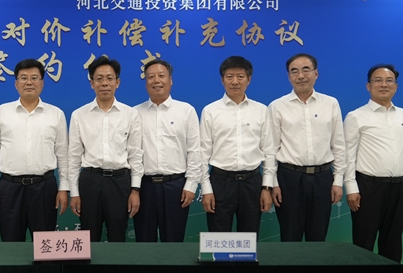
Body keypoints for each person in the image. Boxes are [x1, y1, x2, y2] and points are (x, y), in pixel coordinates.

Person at [0, 59, 69, 241]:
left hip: (44, 187)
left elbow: (63, 155)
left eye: (34, 78)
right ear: (16, 83)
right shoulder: (1, 112)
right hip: (10, 188)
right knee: (11, 242)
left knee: (45, 244)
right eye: (24, 78)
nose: (29, 82)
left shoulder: (56, 114)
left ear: (42, 83)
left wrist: (63, 188)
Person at [344, 64, 403, 262]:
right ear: (368, 86)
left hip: (400, 187)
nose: (384, 85)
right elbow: (348, 156)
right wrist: (351, 188)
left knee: (393, 241)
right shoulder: (356, 116)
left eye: (389, 81)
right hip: (368, 188)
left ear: (396, 86)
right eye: (377, 80)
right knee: (363, 242)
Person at [268, 53, 346, 242]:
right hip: (289, 179)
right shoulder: (277, 106)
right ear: (289, 77)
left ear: (316, 74)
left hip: (322, 178)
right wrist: (273, 183)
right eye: (294, 71)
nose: (301, 76)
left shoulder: (331, 103)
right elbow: (271, 149)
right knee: (290, 237)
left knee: (318, 238)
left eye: (306, 70)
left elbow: (339, 145)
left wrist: (338, 181)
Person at [68, 56, 143, 242]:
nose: (104, 83)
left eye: (110, 78)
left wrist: (135, 190)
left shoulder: (131, 114)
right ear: (91, 83)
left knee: (118, 236)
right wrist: (74, 193)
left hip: (119, 182)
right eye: (99, 78)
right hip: (90, 181)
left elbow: (135, 155)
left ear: (117, 82)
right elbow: (74, 158)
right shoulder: (79, 115)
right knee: (88, 237)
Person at [199, 56, 273, 234]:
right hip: (220, 182)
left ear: (249, 79)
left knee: (249, 238)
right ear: (222, 80)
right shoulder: (210, 111)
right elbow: (202, 154)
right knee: (218, 238)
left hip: (252, 182)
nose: (235, 81)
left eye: (240, 76)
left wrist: (266, 187)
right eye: (229, 76)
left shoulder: (261, 110)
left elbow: (269, 152)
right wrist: (206, 189)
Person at [133, 59, 201, 242]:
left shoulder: (186, 111)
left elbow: (195, 151)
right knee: (144, 242)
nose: (156, 80)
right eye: (151, 77)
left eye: (161, 76)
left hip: (176, 187)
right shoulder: (134, 113)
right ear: (145, 82)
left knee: (174, 243)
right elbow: (132, 155)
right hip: (144, 187)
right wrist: (134, 189)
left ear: (170, 80)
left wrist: (191, 185)